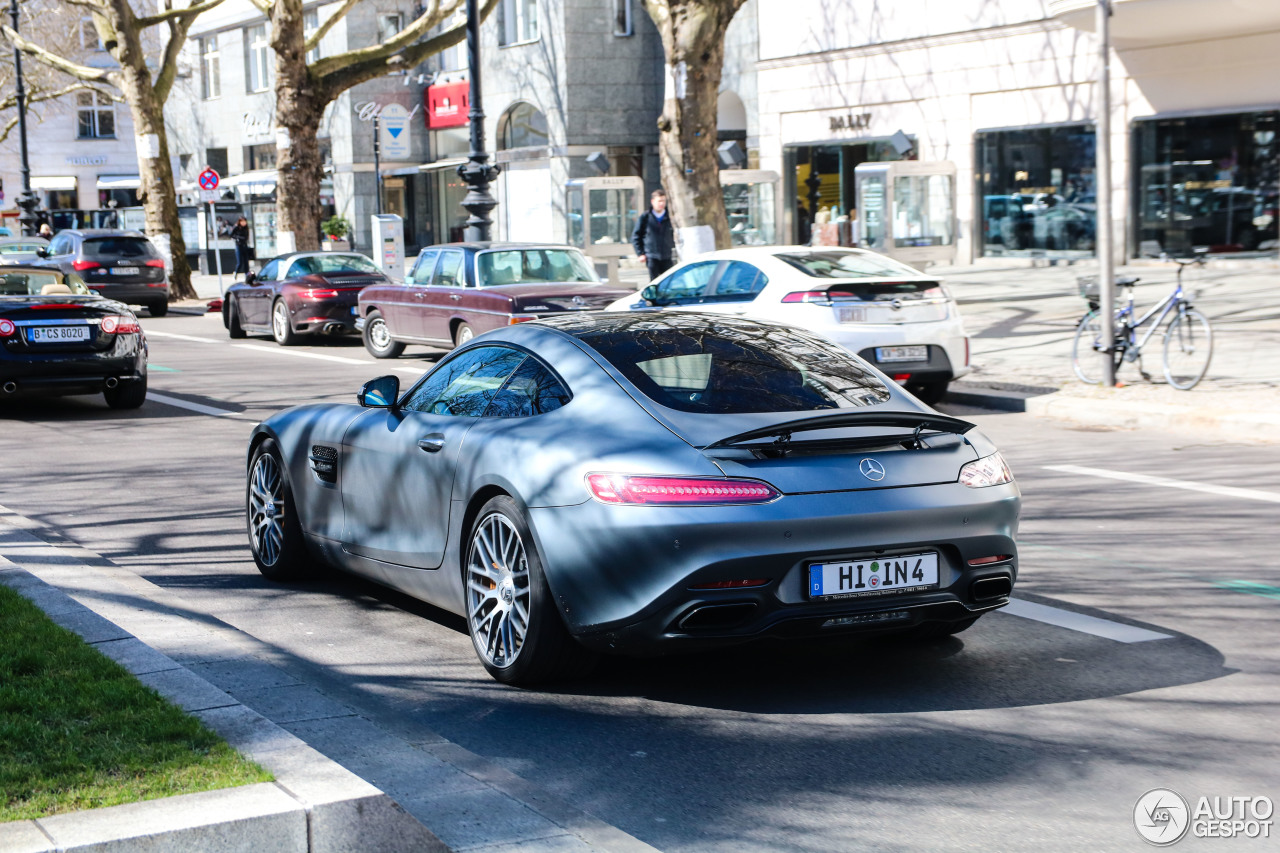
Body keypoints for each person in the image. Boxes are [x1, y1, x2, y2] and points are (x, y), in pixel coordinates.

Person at [631, 189, 676, 281]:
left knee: (668, 281)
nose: (662, 204)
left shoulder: (670, 217)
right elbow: (636, 236)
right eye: (659, 201)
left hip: (666, 255)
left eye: (663, 201)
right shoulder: (646, 217)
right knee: (654, 281)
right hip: (651, 255)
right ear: (653, 202)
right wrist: (640, 253)